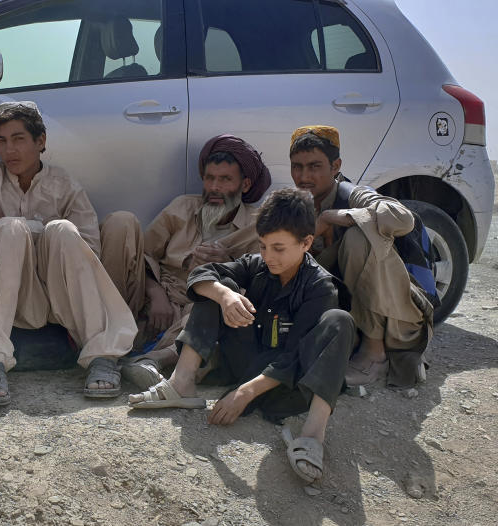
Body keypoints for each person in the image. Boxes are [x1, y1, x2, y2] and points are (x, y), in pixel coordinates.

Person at [129, 188, 354, 485]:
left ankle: (312, 436)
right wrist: (225, 295)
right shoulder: (259, 265)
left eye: (279, 248)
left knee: (340, 321)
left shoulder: (320, 287)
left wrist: (244, 393)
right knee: (214, 287)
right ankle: (181, 383)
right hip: (246, 364)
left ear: (306, 243)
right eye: (262, 246)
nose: (268, 257)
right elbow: (201, 275)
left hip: (288, 385)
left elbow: (295, 357)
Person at [0, 101, 137, 404]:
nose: (9, 150)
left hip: (62, 294)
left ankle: (102, 355)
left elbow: (88, 250)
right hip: (13, 296)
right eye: (2, 142)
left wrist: (37, 228)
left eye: (18, 139)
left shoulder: (64, 184)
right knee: (10, 230)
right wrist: (15, 228)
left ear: (40, 141)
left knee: (62, 230)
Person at [100, 135, 271, 389]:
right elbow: (143, 256)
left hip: (199, 308)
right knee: (121, 221)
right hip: (152, 300)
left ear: (244, 185)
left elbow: (262, 279)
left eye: (225, 180)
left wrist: (228, 264)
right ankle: (103, 336)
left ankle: (153, 361)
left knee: (230, 295)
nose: (214, 187)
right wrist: (155, 293)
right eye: (209, 178)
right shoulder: (181, 208)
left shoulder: (255, 226)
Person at [289, 125, 432, 387]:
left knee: (358, 237)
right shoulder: (300, 206)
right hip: (348, 315)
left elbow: (403, 219)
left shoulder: (353, 194)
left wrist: (336, 218)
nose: (304, 176)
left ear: (335, 167)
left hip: (398, 318)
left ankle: (374, 354)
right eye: (297, 167)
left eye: (314, 166)